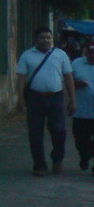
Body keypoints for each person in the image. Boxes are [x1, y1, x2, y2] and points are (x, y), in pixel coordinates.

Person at [16, 27, 76, 176]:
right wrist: (20, 98)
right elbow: (21, 79)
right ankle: (39, 165)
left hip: (56, 97)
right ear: (36, 39)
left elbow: (68, 77)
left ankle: (57, 160)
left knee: (59, 131)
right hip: (34, 97)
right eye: (42, 37)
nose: (46, 40)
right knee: (35, 133)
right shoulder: (27, 56)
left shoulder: (60, 55)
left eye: (48, 37)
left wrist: (72, 100)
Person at [70, 40, 94, 173]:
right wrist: (76, 84)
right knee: (80, 139)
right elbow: (68, 82)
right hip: (81, 110)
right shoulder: (76, 63)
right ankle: (85, 155)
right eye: (91, 54)